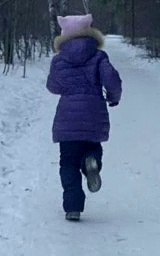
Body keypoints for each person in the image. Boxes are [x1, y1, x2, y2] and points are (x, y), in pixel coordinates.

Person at [46, 14, 122, 221]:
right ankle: (92, 161)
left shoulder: (59, 59)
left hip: (67, 116)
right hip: (93, 111)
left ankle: (73, 207)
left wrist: (69, 87)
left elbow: (53, 86)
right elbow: (112, 79)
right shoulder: (98, 56)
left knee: (68, 162)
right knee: (92, 146)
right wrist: (113, 97)